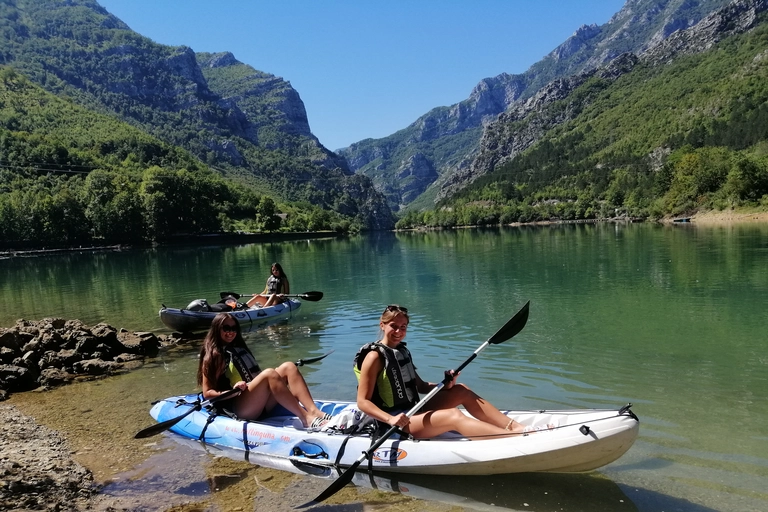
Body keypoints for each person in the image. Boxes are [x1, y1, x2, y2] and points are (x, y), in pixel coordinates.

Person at [354, 304, 528, 439]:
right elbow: (362, 402)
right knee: (453, 415)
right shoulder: (374, 357)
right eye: (394, 326)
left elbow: (421, 386)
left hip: (413, 411)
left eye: (403, 327)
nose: (399, 331)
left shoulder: (401, 351)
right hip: (393, 423)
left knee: (461, 390)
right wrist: (390, 419)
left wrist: (446, 384)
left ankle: (517, 428)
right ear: (382, 325)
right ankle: (512, 438)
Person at [197, 313, 329, 429]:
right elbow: (207, 393)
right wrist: (232, 391)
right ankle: (305, 418)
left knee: (288, 367)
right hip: (239, 409)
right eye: (226, 328)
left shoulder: (236, 348)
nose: (231, 332)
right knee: (269, 374)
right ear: (217, 329)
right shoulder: (214, 356)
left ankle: (314, 411)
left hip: (257, 403)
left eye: (234, 328)